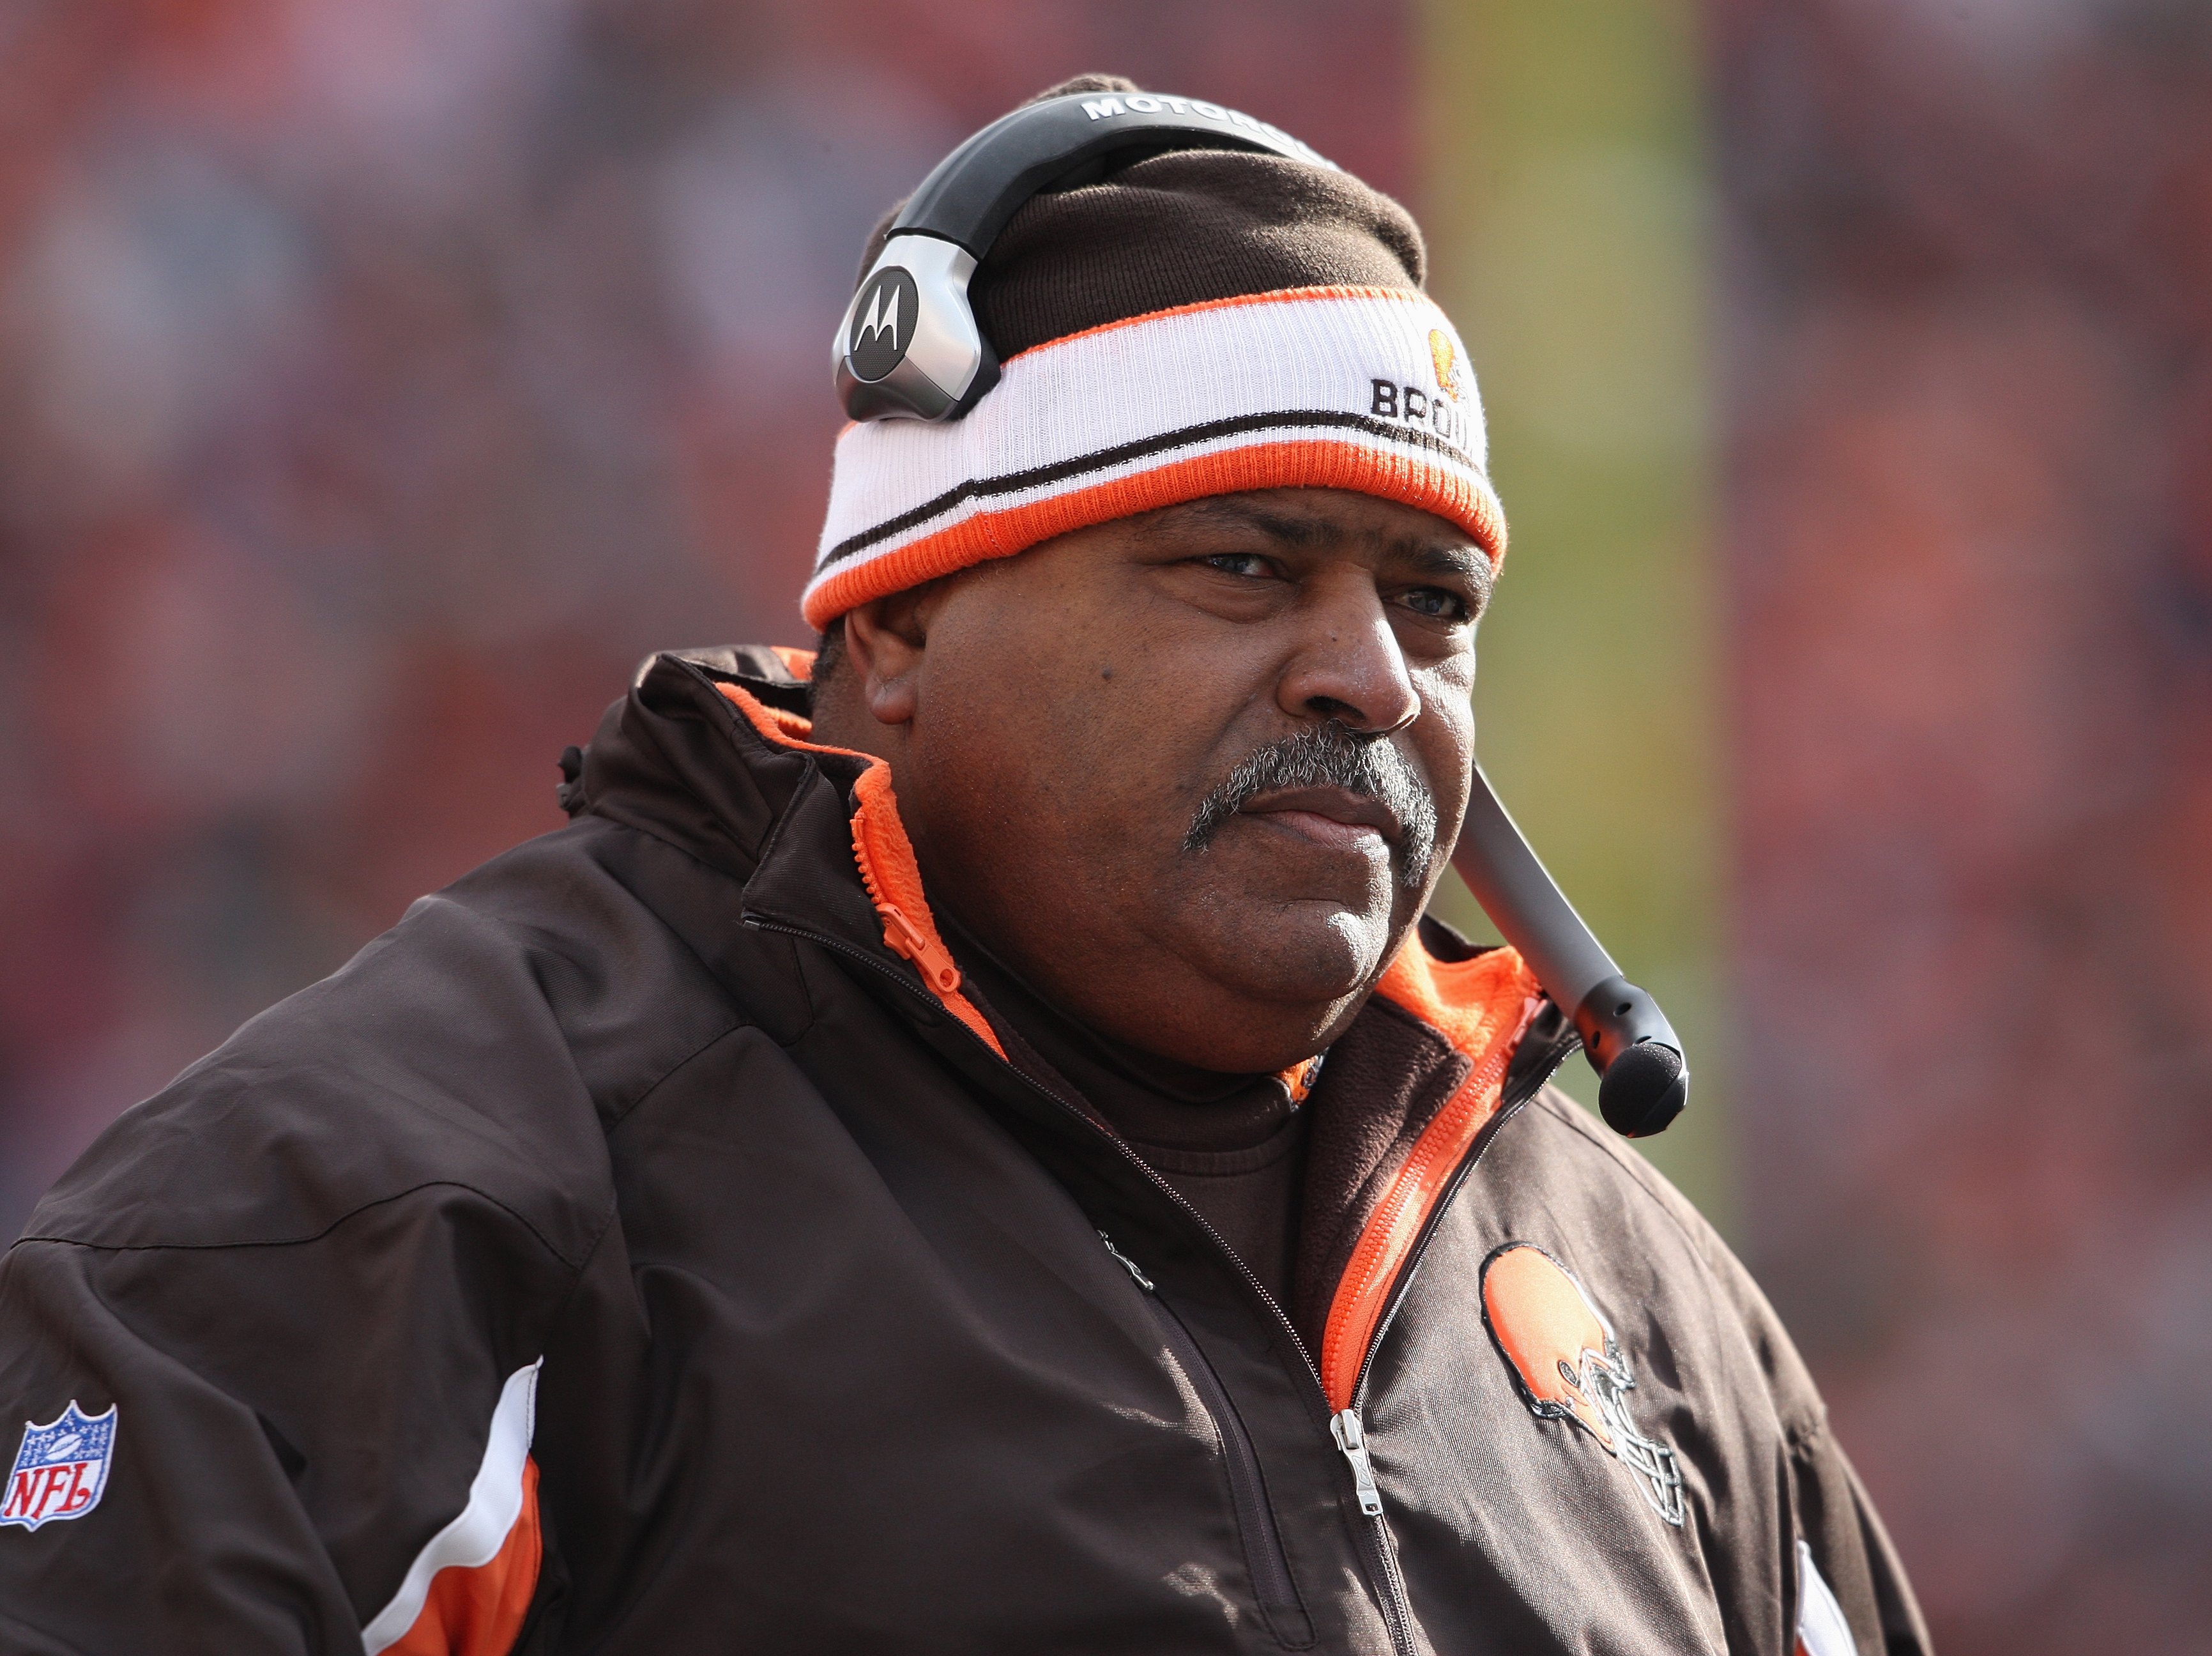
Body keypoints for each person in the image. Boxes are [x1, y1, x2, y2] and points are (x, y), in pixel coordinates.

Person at [0, 75, 1930, 1656]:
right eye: (1244, 565)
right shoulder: (402, 1208)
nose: (1367, 671)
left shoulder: (1648, 1320)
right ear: (899, 632)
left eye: (1432, 604)